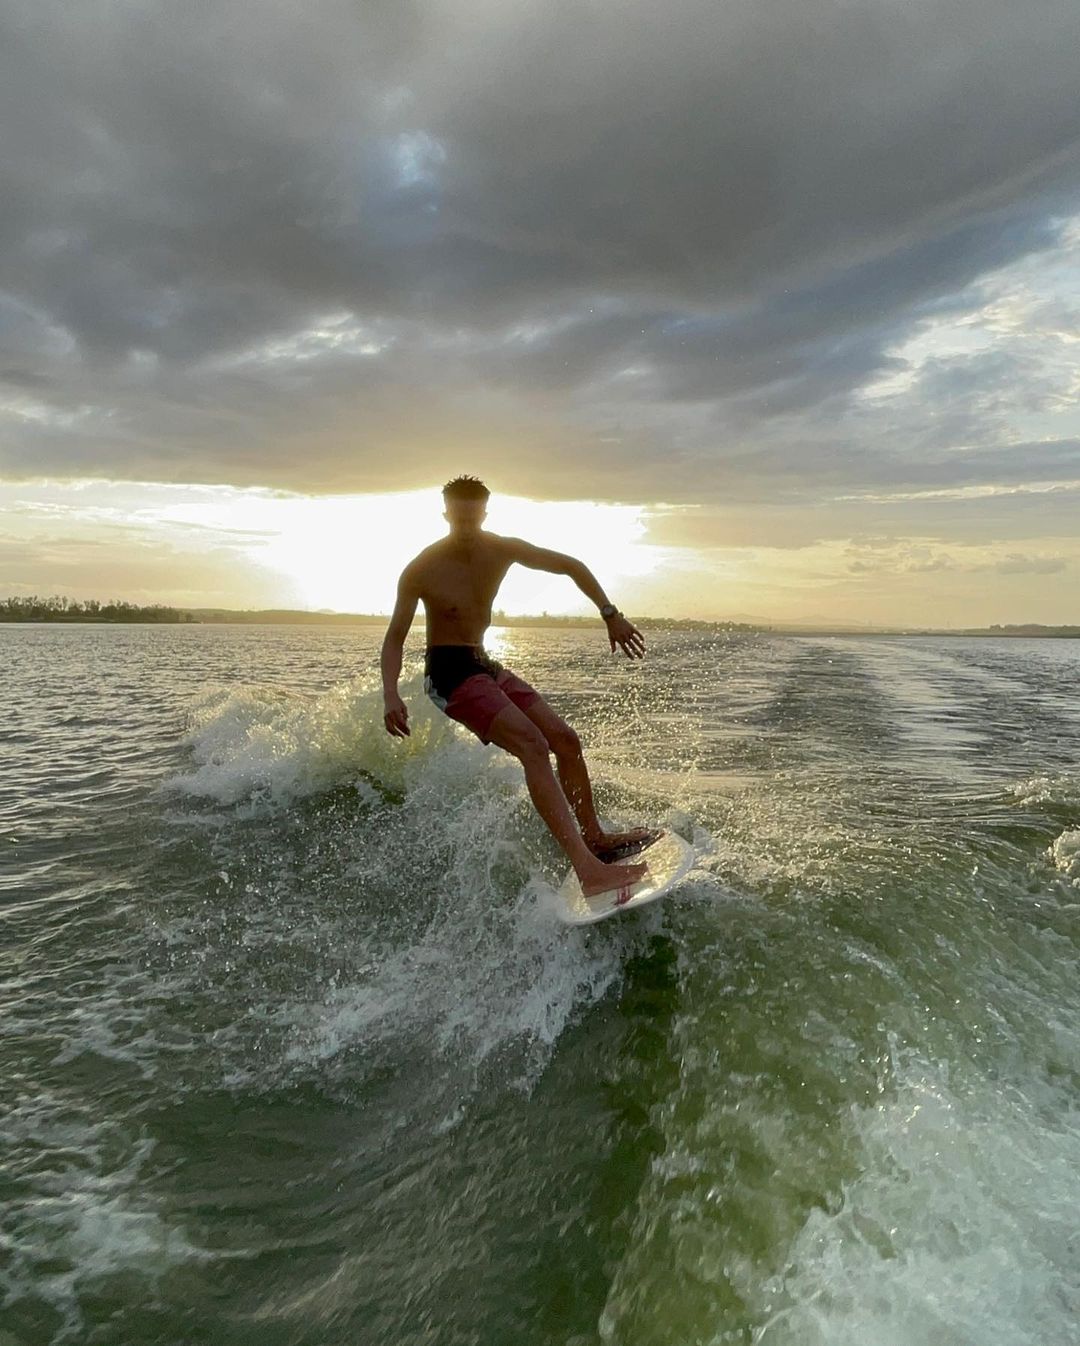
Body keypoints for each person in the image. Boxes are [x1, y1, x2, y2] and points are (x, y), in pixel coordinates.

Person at [380, 475, 662, 903]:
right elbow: (395, 637)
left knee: (565, 741)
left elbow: (572, 566)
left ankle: (595, 838)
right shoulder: (421, 569)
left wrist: (610, 614)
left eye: (473, 518)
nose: (467, 527)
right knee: (532, 745)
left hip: (483, 663)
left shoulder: (502, 550)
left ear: (485, 514)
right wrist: (390, 694)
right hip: (449, 674)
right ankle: (589, 871)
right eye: (458, 519)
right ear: (445, 515)